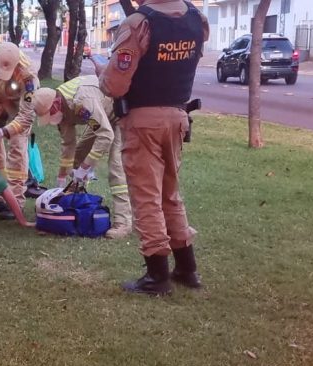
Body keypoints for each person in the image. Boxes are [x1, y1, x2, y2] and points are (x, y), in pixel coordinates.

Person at [99, 0, 208, 296]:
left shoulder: (139, 23)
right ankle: (186, 268)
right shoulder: (196, 18)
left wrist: (103, 76)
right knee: (170, 194)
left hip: (143, 121)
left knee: (146, 197)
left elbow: (115, 85)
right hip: (178, 116)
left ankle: (157, 276)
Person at [30, 76, 132, 239]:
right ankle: (73, 203)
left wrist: (85, 168)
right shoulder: (60, 107)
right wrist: (61, 179)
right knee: (78, 155)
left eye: (50, 114)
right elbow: (68, 144)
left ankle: (123, 222)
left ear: (56, 104)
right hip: (100, 116)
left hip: (118, 114)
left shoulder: (82, 101)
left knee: (116, 167)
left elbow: (106, 135)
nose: (51, 119)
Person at [0, 42, 39, 218]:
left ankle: (16, 201)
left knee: (17, 147)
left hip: (17, 101)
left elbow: (26, 117)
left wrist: (4, 131)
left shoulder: (29, 78)